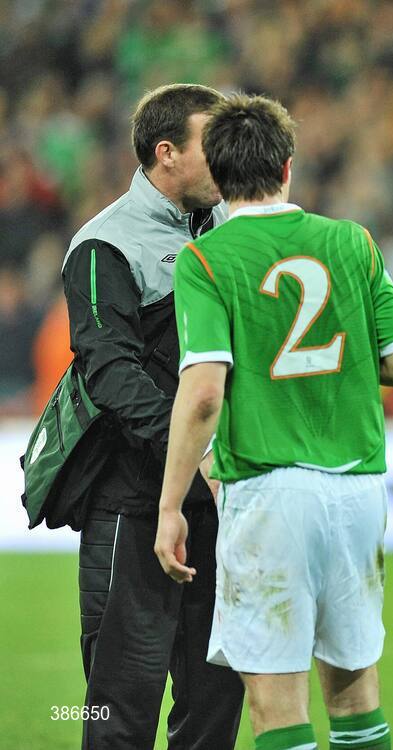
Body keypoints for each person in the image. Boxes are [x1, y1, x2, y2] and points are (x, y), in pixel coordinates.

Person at [154, 93, 393, 750]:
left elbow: (202, 395)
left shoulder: (208, 259)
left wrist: (171, 506)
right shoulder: (351, 242)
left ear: (217, 179)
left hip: (271, 494)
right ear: (288, 167)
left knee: (277, 706)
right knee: (357, 697)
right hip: (359, 489)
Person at [62, 83, 243, 749]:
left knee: (216, 702)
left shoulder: (233, 231)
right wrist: (196, 454)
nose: (229, 161)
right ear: (166, 154)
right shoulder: (104, 245)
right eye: (212, 147)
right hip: (131, 500)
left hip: (221, 503)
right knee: (116, 710)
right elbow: (110, 371)